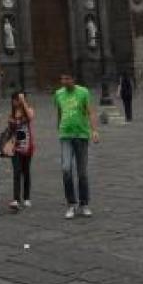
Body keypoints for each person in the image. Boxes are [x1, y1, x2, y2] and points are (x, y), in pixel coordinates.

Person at [54, 73, 99, 219]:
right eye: (62, 79)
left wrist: (94, 130)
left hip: (81, 135)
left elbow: (90, 112)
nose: (64, 81)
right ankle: (71, 204)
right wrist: (59, 128)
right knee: (66, 169)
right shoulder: (58, 94)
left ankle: (84, 204)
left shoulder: (83, 92)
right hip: (65, 136)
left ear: (73, 79)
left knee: (82, 173)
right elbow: (59, 112)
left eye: (67, 79)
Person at [6, 91, 35, 210]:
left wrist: (23, 101)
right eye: (15, 99)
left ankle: (27, 197)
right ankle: (16, 199)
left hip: (27, 146)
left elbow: (30, 117)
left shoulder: (29, 110)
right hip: (15, 147)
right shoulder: (11, 114)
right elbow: (10, 130)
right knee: (17, 172)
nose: (16, 102)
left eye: (18, 99)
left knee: (26, 171)